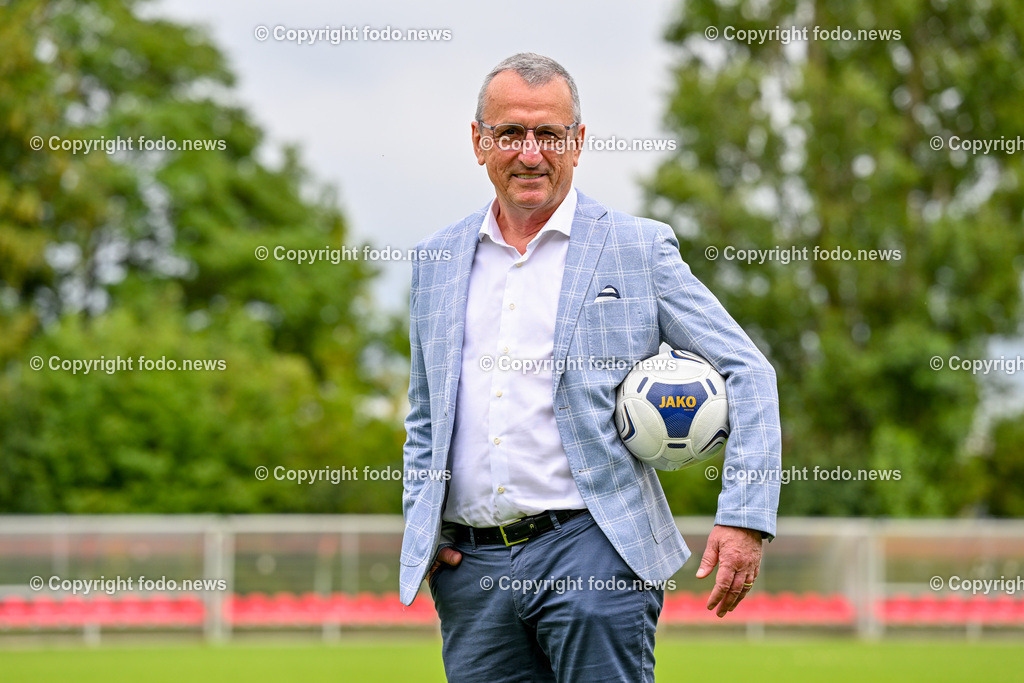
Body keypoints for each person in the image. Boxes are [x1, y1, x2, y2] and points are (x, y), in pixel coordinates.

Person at [400, 52, 781, 682]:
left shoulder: (637, 248)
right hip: (472, 573)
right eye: (510, 134)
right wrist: (426, 526)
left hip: (593, 551)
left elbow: (749, 371)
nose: (530, 153)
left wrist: (744, 515)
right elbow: (424, 417)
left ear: (578, 143)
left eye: (548, 134)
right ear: (478, 142)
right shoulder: (436, 260)